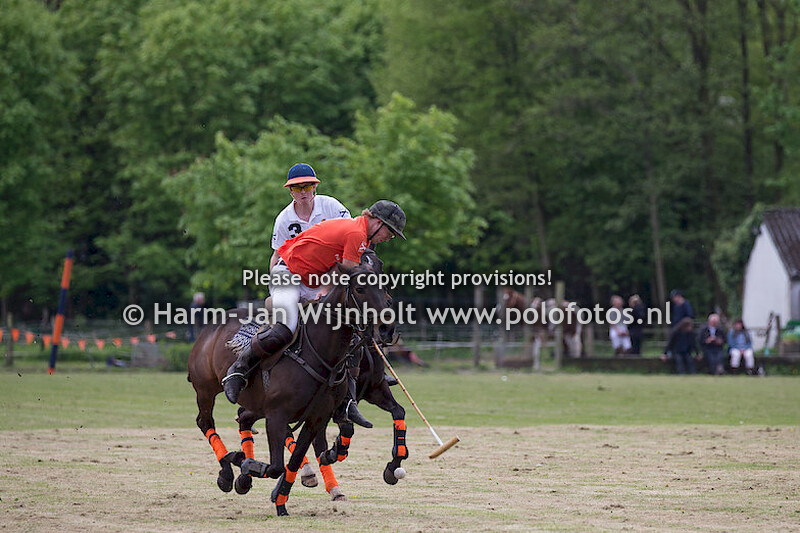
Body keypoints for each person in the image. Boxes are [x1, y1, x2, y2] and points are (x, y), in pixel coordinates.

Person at [222, 199, 407, 428]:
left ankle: (348, 402)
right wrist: (330, 289)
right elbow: (352, 273)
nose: (390, 238)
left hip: (312, 278)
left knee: (347, 331)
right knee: (285, 327)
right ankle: (238, 370)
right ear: (378, 222)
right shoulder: (355, 232)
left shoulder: (364, 237)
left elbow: (345, 270)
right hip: (288, 273)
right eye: (390, 232)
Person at [269, 163, 351, 270]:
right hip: (301, 271)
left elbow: (352, 234)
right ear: (291, 191)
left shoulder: (331, 206)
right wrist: (272, 283)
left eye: (307, 187)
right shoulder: (283, 219)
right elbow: (277, 254)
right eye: (298, 189)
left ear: (314, 187)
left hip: (334, 264)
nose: (303, 192)